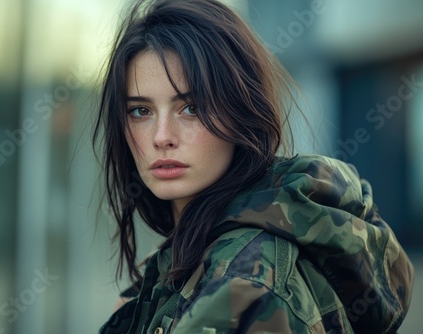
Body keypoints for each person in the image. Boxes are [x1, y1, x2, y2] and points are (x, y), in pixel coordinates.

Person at [92, 0, 415, 332]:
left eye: (191, 107)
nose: (162, 137)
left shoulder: (245, 285)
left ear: (240, 112)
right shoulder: (185, 260)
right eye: (140, 111)